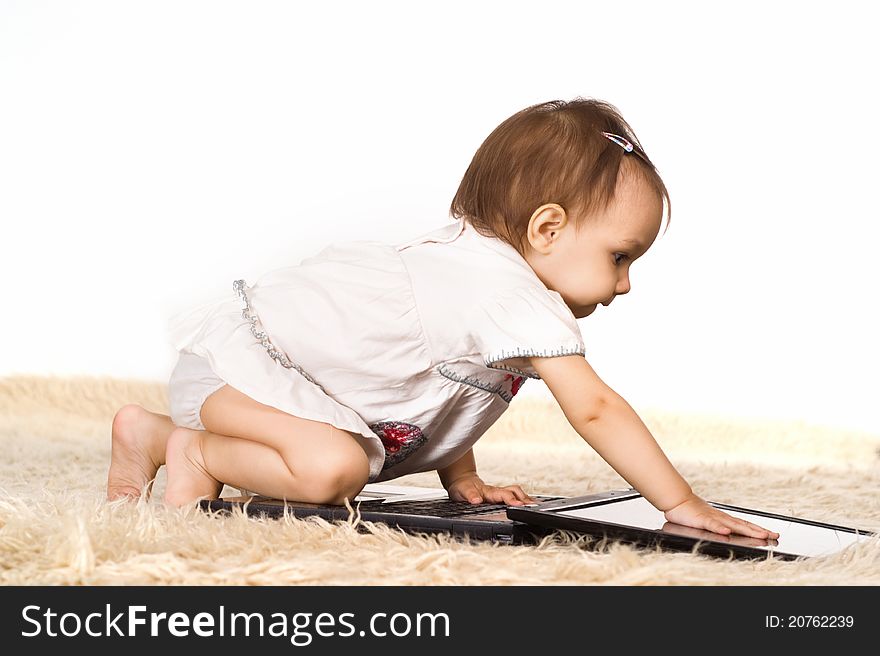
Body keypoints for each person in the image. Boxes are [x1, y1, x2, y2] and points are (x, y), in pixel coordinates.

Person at [107, 97, 779, 540]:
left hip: (238, 376)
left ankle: (151, 432)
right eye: (620, 256)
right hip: (245, 372)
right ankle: (191, 447)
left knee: (342, 460)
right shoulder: (512, 295)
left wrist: (462, 480)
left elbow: (440, 387)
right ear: (548, 228)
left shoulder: (485, 279)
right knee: (333, 472)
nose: (625, 285)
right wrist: (678, 503)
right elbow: (596, 409)